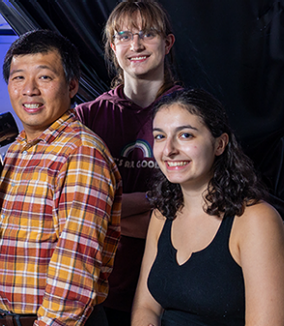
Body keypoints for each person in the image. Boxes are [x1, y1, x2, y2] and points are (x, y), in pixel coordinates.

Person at [0, 29, 122, 326]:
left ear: (72, 85)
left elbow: (75, 266)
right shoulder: (18, 150)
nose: (29, 90)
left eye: (45, 77)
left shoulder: (81, 153)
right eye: (18, 77)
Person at [132, 89, 284, 325]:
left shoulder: (256, 220)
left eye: (185, 135)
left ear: (220, 144)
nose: (169, 150)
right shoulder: (163, 215)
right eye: (159, 137)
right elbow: (146, 308)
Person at [72, 1, 179, 323]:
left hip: (172, 289)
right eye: (124, 35)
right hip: (100, 292)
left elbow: (195, 216)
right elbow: (71, 208)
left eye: (148, 33)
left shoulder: (191, 115)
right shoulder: (85, 118)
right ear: (112, 45)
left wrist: (103, 217)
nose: (136, 45)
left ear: (167, 42)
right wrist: (152, 201)